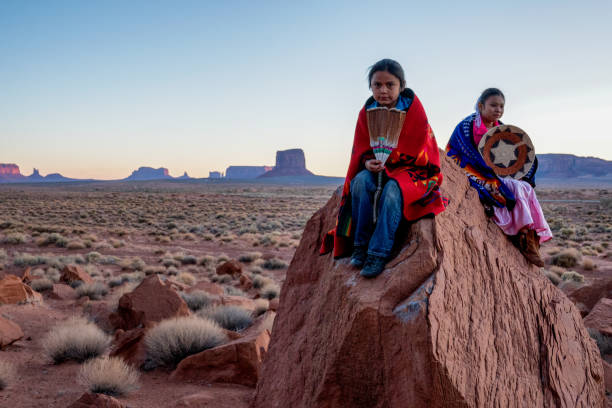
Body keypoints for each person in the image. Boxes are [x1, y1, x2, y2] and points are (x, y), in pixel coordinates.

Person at [320, 59, 447, 278]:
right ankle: (360, 245)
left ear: (402, 86)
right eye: (377, 85)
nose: (383, 90)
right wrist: (368, 162)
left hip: (411, 169)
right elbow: (361, 150)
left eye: (390, 84)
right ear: (371, 87)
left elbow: (422, 151)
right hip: (377, 168)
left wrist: (393, 159)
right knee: (360, 182)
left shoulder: (413, 112)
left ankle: (378, 252)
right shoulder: (367, 112)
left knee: (392, 192)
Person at [446, 88, 552, 266]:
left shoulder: (501, 129)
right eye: (493, 105)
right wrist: (488, 170)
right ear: (481, 106)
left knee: (524, 187)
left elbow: (511, 157)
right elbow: (461, 151)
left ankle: (528, 236)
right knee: (504, 189)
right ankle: (522, 235)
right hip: (468, 168)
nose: (498, 110)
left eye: (501, 106)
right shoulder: (466, 126)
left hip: (493, 171)